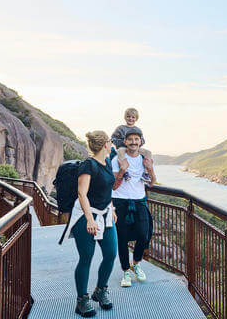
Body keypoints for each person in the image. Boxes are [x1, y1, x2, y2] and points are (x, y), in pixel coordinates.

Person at [62, 131, 117, 317]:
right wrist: (90, 219)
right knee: (86, 257)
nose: (112, 143)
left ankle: (100, 290)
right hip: (86, 215)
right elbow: (82, 193)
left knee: (110, 254)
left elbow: (107, 189)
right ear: (104, 145)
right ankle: (82, 300)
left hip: (105, 213)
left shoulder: (107, 161)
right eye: (110, 141)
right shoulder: (88, 165)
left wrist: (113, 208)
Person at [111, 128, 156, 287]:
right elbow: (114, 186)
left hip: (139, 201)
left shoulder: (146, 159)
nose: (133, 142)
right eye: (130, 139)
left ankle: (135, 263)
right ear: (125, 141)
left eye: (136, 139)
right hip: (120, 202)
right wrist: (123, 170)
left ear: (140, 141)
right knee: (122, 239)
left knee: (144, 235)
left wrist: (149, 168)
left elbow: (151, 183)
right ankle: (125, 272)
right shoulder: (117, 159)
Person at [111, 107, 156, 184]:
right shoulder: (120, 128)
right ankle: (125, 172)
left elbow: (142, 140)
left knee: (148, 152)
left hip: (135, 148)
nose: (130, 119)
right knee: (120, 151)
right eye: (128, 116)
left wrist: (135, 144)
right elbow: (113, 138)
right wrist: (124, 142)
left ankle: (145, 173)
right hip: (123, 147)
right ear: (125, 117)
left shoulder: (138, 130)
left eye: (133, 117)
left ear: (136, 119)